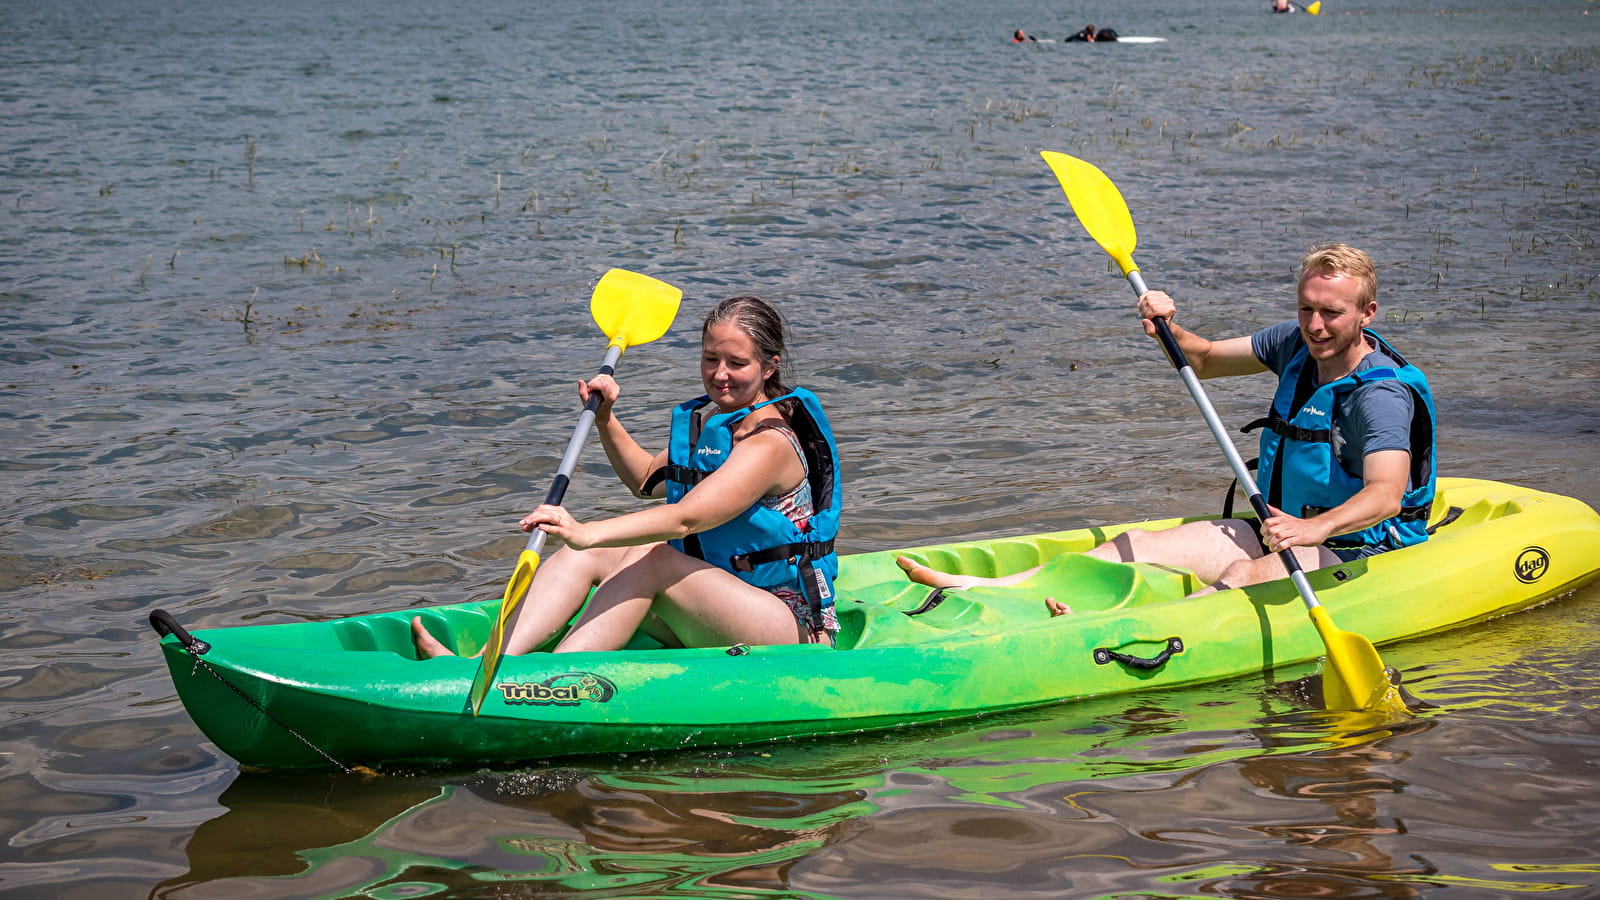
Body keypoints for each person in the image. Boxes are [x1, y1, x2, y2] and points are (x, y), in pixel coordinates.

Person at [899, 243, 1436, 607]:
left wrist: (1312, 529)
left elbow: (1386, 493)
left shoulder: (1379, 395)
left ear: (1367, 313)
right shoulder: (1294, 342)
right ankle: (984, 588)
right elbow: (1201, 359)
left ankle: (1106, 631)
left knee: (1242, 578)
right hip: (1280, 528)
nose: (1315, 325)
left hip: (1358, 547)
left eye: (1332, 313)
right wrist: (1168, 327)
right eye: (1305, 309)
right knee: (1134, 544)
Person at [413, 295, 843, 657]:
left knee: (650, 554)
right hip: (719, 602)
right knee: (587, 555)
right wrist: (605, 419)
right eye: (710, 359)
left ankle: (548, 684)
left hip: (789, 624)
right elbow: (643, 480)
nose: (719, 374)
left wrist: (587, 530)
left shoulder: (769, 443)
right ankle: (490, 663)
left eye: (737, 362)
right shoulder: (720, 425)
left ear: (769, 366)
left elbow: (686, 519)